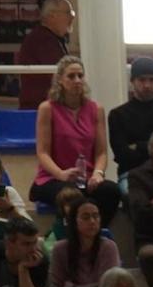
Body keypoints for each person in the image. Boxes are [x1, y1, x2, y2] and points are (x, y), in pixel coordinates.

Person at [32, 56, 119, 226]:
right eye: (71, 76)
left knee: (111, 191)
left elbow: (101, 152)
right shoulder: (47, 108)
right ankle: (73, 238)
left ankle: (97, 233)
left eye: (80, 76)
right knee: (72, 197)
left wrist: (98, 173)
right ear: (60, 80)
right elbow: (42, 152)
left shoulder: (96, 109)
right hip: (53, 178)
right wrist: (61, 174)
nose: (77, 80)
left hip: (85, 178)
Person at [47, 197, 117, 287]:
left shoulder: (109, 247)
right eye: (86, 217)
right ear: (74, 221)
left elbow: (107, 285)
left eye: (96, 216)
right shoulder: (59, 249)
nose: (92, 221)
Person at [14, 0, 73, 112]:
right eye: (68, 13)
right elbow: (60, 74)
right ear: (52, 16)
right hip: (41, 110)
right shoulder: (43, 40)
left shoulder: (48, 38)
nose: (71, 17)